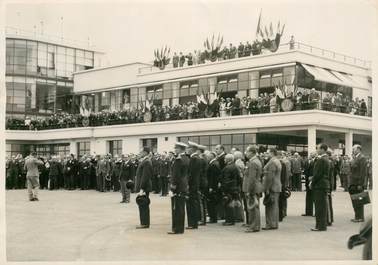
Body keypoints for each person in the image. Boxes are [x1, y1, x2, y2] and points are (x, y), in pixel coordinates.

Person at [168, 142, 190, 234]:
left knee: (176, 208)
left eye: (176, 148)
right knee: (180, 208)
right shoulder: (186, 158)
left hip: (178, 186)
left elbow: (176, 175)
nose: (175, 150)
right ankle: (179, 228)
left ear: (181, 149)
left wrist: (172, 188)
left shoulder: (178, 159)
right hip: (183, 185)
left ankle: (177, 229)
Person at [310, 143, 330, 231]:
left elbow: (318, 174)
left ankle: (320, 226)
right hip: (323, 185)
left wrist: (312, 182)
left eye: (318, 148)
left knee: (319, 207)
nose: (317, 150)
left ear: (322, 149)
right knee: (322, 206)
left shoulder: (321, 160)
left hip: (319, 185)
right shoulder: (326, 159)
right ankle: (322, 225)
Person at [243, 145, 263, 232]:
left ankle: (253, 226)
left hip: (252, 188)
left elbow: (252, 179)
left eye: (247, 151)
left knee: (252, 208)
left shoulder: (253, 162)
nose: (246, 153)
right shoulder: (255, 161)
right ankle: (255, 225)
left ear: (251, 152)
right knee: (255, 207)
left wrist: (249, 190)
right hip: (255, 187)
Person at [262, 148, 282, 230]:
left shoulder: (272, 162)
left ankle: (270, 224)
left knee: (270, 206)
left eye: (267, 153)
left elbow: (270, 177)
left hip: (272, 186)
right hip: (276, 185)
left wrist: (267, 188)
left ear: (272, 153)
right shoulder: (277, 161)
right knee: (274, 205)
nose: (266, 154)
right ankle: (274, 223)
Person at [135, 147, 153, 229]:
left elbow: (145, 176)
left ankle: (145, 223)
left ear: (146, 152)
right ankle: (144, 222)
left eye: (141, 151)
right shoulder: (144, 161)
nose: (140, 153)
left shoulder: (147, 162)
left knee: (143, 205)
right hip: (143, 187)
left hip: (144, 187)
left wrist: (142, 188)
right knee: (142, 205)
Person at [349, 145, 367, 222]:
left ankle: (360, 217)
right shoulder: (355, 157)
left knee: (359, 200)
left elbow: (363, 172)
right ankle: (357, 216)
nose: (353, 150)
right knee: (355, 200)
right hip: (353, 182)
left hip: (358, 183)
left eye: (354, 149)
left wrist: (361, 184)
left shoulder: (362, 158)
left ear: (359, 149)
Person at [221, 154, 240, 225]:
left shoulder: (227, 168)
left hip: (228, 189)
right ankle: (231, 220)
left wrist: (224, 189)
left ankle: (229, 220)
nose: (224, 160)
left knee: (228, 205)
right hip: (234, 188)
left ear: (228, 160)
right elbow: (238, 178)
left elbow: (226, 180)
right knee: (231, 204)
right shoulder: (235, 166)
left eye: (225, 159)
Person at [186, 141, 201, 229]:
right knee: (193, 203)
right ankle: (193, 223)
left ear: (193, 149)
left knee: (191, 204)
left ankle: (192, 223)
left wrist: (187, 184)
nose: (187, 150)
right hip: (195, 184)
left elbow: (190, 174)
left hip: (192, 185)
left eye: (189, 148)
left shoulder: (194, 159)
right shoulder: (196, 158)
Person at [206, 151, 221, 223]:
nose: (207, 158)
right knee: (212, 202)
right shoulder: (214, 163)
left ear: (212, 156)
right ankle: (213, 217)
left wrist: (211, 187)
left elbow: (213, 177)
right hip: (213, 186)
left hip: (212, 186)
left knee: (211, 203)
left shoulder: (213, 164)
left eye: (208, 156)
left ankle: (213, 218)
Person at [302, 152, 316, 216]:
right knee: (308, 197)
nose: (310, 155)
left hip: (312, 181)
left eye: (311, 154)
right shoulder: (308, 162)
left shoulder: (316, 162)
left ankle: (315, 212)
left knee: (314, 197)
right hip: (308, 181)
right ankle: (308, 212)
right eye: (310, 154)